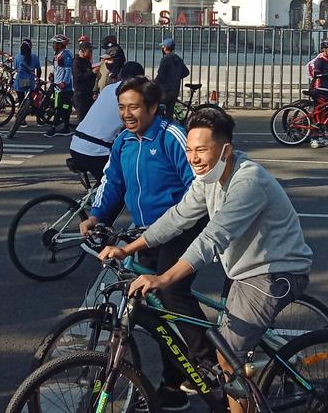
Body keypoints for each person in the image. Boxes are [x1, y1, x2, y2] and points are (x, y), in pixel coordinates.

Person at [98, 107, 312, 413]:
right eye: (189, 149)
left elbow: (212, 238)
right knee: (226, 347)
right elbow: (178, 217)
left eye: (201, 150)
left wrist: (162, 279)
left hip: (274, 272)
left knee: (228, 359)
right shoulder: (208, 177)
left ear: (225, 150)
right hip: (243, 270)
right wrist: (128, 248)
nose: (193, 158)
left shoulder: (247, 182)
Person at [80, 77, 210, 409]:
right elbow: (113, 184)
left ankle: (207, 363)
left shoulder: (170, 136)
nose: (127, 113)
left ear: (153, 107)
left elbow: (198, 188)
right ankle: (173, 384)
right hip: (146, 232)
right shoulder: (123, 142)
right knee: (149, 307)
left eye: (134, 106)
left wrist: (171, 223)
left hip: (184, 227)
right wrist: (96, 217)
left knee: (169, 291)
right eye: (122, 107)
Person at [69, 61, 145, 181]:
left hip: (76, 143)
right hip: (96, 151)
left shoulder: (108, 88)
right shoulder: (133, 95)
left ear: (120, 75)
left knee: (106, 185)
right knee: (119, 186)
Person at [45, 35, 74, 138]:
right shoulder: (57, 55)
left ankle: (58, 128)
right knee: (59, 107)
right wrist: (53, 74)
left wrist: (64, 83)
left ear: (60, 45)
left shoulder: (65, 55)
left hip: (65, 88)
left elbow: (68, 70)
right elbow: (58, 69)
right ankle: (63, 127)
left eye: (54, 44)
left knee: (63, 108)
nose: (53, 45)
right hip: (58, 87)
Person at [155, 37, 190, 115]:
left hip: (165, 91)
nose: (162, 48)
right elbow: (186, 72)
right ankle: (169, 125)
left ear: (165, 48)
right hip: (175, 90)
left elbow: (160, 76)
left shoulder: (165, 59)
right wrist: (176, 76)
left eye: (163, 46)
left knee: (156, 109)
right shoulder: (178, 58)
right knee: (169, 113)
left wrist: (153, 83)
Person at [11, 39, 41, 113]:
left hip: (20, 82)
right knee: (31, 98)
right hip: (30, 82)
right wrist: (37, 79)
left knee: (21, 100)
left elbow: (15, 69)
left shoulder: (17, 57)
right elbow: (39, 70)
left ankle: (22, 119)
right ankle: (35, 112)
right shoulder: (34, 57)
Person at [72, 41, 96, 121]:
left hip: (88, 93)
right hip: (81, 93)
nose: (91, 53)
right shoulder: (77, 62)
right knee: (82, 118)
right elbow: (78, 77)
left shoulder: (87, 62)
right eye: (89, 51)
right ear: (82, 51)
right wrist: (92, 72)